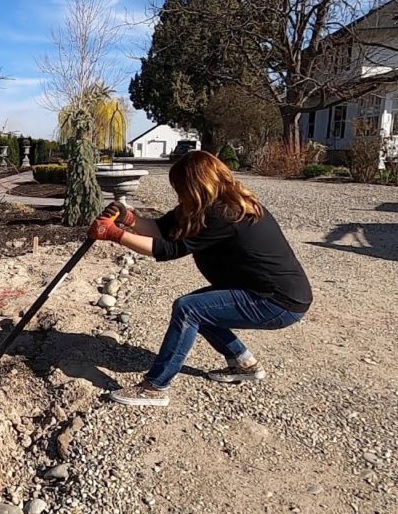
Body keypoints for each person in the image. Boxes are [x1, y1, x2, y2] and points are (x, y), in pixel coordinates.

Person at [87, 151, 312, 407]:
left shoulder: (225, 213)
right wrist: (129, 219)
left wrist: (115, 234)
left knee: (190, 309)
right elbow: (161, 229)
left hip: (278, 302)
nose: (177, 193)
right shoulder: (203, 207)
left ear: (195, 184)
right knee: (201, 308)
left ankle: (155, 388)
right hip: (265, 292)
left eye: (179, 186)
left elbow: (169, 249)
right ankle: (245, 364)